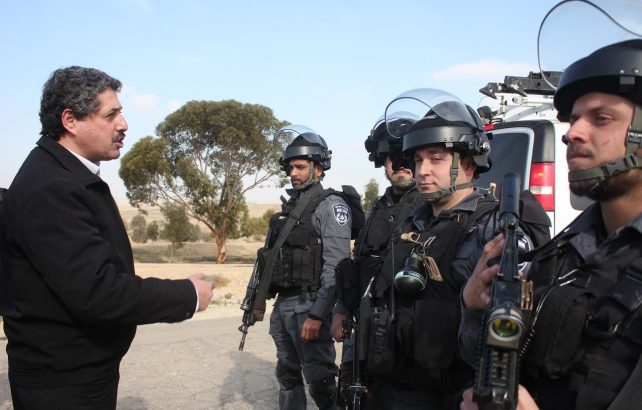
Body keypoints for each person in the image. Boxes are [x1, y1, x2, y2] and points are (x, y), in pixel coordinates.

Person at [0, 66, 214, 410]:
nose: (123, 124)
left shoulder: (64, 175)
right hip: (63, 385)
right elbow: (98, 292)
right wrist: (187, 294)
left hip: (75, 375)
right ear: (70, 120)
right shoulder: (52, 187)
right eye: (111, 114)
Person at [459, 39, 642, 410]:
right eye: (574, 119)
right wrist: (475, 309)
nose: (572, 133)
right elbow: (497, 359)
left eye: (601, 119)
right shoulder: (565, 255)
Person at [361, 89, 550, 410]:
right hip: (393, 386)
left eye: (436, 159)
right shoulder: (413, 222)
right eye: (418, 159)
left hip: (448, 394)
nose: (422, 170)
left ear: (469, 164)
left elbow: (505, 340)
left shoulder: (491, 228)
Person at [331, 114, 420, 406]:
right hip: (367, 329)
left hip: (410, 335)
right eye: (392, 156)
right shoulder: (379, 208)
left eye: (408, 155)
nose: (400, 163)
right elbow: (358, 264)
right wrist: (342, 310)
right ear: (382, 161)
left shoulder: (431, 208)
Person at [265, 125, 353, 409]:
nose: (293, 173)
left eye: (300, 167)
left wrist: (317, 314)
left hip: (311, 304)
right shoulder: (288, 209)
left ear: (319, 168)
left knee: (320, 380)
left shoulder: (331, 206)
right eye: (290, 167)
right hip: (284, 304)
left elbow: (336, 265)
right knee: (287, 374)